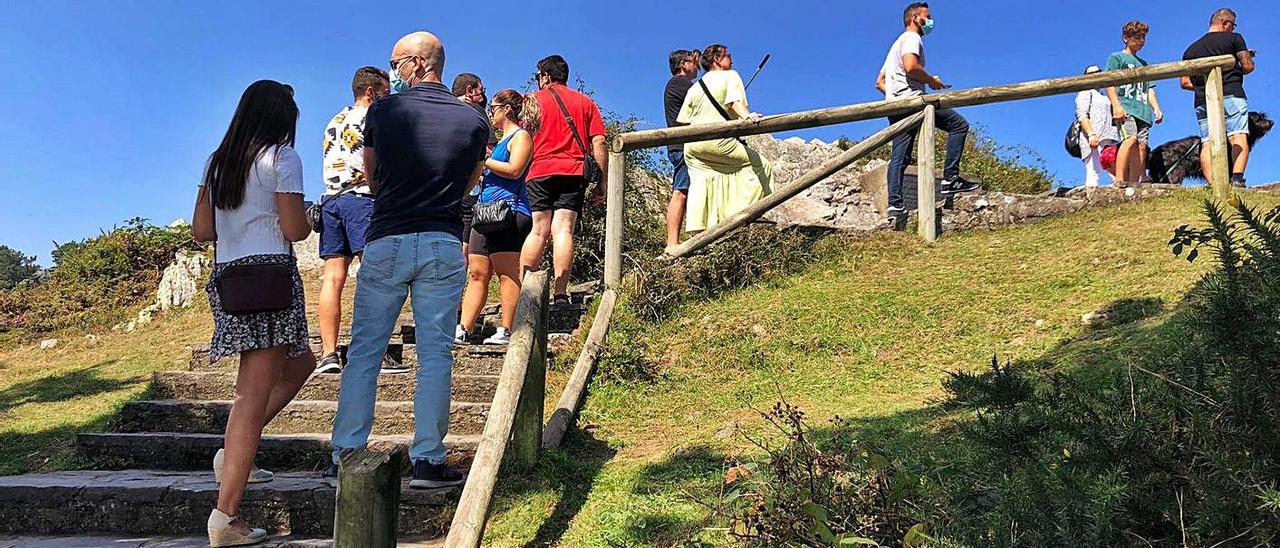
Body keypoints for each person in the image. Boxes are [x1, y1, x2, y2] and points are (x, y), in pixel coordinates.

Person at [329, 31, 489, 489]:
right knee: (436, 355)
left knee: (364, 352)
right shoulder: (475, 120)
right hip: (442, 239)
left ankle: (345, 452)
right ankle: (428, 459)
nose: (393, 70)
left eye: (397, 62)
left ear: (418, 63)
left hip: (388, 238)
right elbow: (468, 181)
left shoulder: (383, 111)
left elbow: (373, 177)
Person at [192, 80, 316, 547]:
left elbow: (202, 229)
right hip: (269, 277)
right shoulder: (282, 157)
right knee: (250, 398)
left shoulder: (218, 159)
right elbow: (294, 229)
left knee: (300, 364)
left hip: (230, 279)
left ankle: (233, 454)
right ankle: (226, 517)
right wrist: (306, 216)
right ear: (282, 117)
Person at [316, 67, 406, 375]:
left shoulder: (335, 121)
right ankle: (373, 350)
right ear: (372, 92)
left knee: (333, 278)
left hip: (330, 200)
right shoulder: (374, 118)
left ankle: (328, 353)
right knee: (376, 275)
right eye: (385, 91)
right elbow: (374, 164)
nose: (389, 96)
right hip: (362, 199)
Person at [876, 2, 980, 229]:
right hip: (913, 102)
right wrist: (931, 81)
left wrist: (894, 97)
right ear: (915, 18)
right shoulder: (912, 38)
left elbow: (879, 82)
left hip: (895, 106)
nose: (931, 21)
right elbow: (911, 66)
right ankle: (950, 178)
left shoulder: (895, 44)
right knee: (959, 125)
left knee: (900, 157)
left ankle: (895, 206)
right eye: (928, 16)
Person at [520, 55, 608, 305]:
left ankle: (523, 293)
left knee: (538, 230)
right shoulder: (585, 102)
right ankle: (560, 293)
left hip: (539, 170)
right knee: (563, 230)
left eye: (538, 77)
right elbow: (599, 141)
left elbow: (519, 135)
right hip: (572, 171)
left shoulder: (531, 101)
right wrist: (602, 182)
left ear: (546, 76)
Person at [457, 90, 539, 345]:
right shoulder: (501, 141)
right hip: (485, 211)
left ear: (506, 109)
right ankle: (464, 329)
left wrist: (484, 161)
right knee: (477, 272)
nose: (491, 112)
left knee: (506, 272)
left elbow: (515, 170)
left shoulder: (520, 136)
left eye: (493, 107)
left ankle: (507, 328)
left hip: (510, 211)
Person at [676, 44, 772, 234]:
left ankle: (699, 228)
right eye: (728, 56)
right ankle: (743, 216)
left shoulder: (695, 87)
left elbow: (684, 119)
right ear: (717, 60)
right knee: (761, 165)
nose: (732, 59)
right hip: (718, 141)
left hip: (693, 146)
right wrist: (747, 116)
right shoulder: (731, 76)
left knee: (702, 179)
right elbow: (734, 102)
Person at [1182, 8, 1256, 187]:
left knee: (1207, 141)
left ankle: (1214, 184)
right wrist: (1243, 59)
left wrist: (1203, 87)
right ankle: (1237, 180)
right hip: (1231, 93)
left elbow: (1184, 83)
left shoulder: (1191, 49)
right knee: (1237, 135)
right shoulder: (1235, 39)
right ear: (1225, 23)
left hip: (1202, 99)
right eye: (1232, 25)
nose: (1232, 29)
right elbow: (1248, 67)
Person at [1106, 20, 1164, 186]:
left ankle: (1134, 183)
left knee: (1141, 147)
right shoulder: (1116, 58)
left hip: (1143, 110)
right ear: (1126, 38)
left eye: (1143, 38)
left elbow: (1150, 89)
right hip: (1126, 107)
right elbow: (1109, 83)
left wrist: (1156, 108)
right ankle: (1119, 180)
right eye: (1137, 37)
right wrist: (1116, 105)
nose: (1141, 41)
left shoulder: (1144, 64)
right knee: (1129, 139)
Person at [663, 49, 700, 246]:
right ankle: (672, 243)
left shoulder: (676, 85)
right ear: (683, 64)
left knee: (686, 189)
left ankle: (677, 241)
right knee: (681, 190)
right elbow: (704, 103)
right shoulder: (682, 84)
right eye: (694, 62)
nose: (697, 67)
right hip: (684, 145)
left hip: (679, 146)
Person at [453, 72, 492, 257]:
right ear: (470, 91)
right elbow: (488, 149)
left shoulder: (443, 107)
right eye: (482, 91)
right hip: (470, 185)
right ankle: (459, 282)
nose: (483, 97)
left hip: (440, 183)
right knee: (465, 238)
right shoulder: (477, 112)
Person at [1075, 65, 1120, 187]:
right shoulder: (1085, 92)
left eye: (1098, 72)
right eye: (1091, 73)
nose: (1095, 74)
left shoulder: (1105, 95)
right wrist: (1091, 134)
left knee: (1116, 171)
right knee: (1094, 173)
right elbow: (1082, 115)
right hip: (1093, 137)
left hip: (1109, 137)